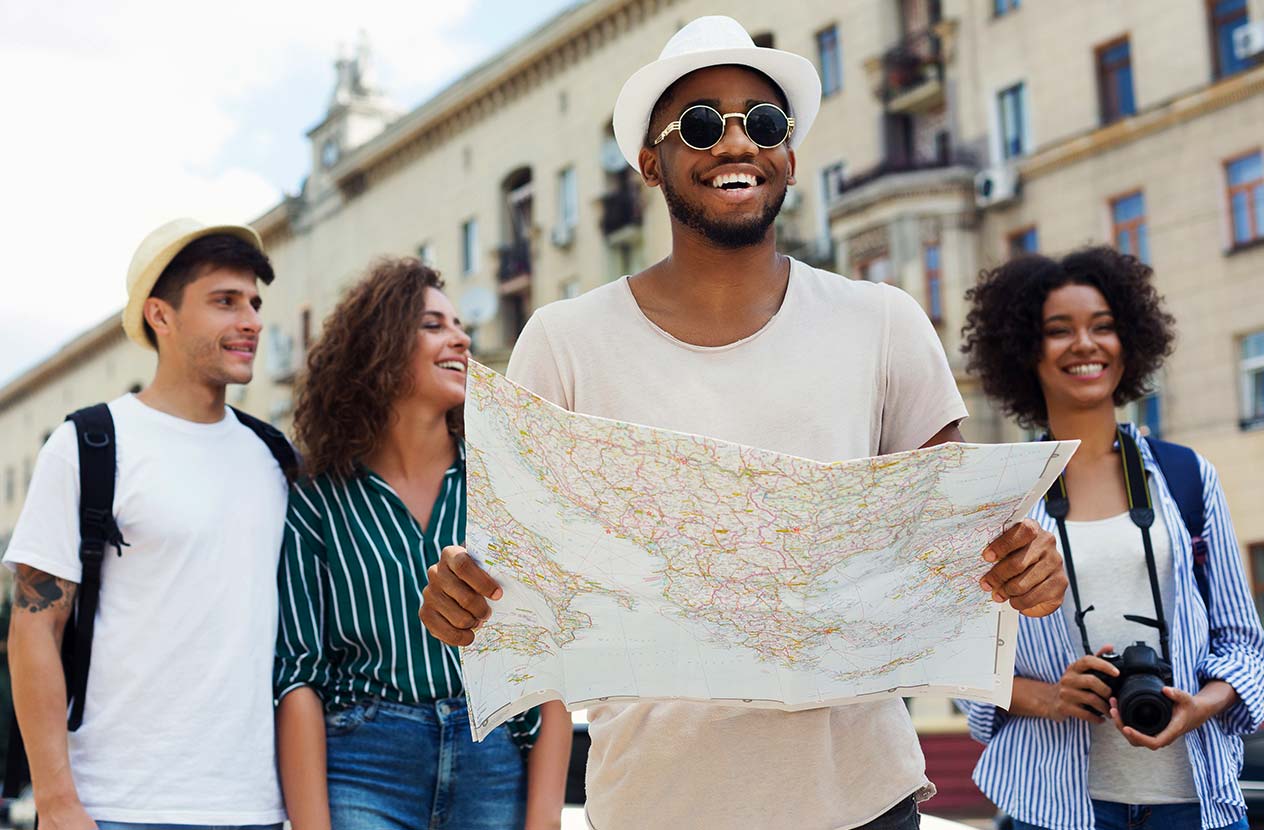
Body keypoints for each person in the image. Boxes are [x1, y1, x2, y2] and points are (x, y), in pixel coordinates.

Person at [418, 17, 1068, 830]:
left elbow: (960, 539)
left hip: (860, 798)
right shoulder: (563, 340)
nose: (734, 144)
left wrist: (1026, 567)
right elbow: (511, 576)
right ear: (650, 163)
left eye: (762, 123)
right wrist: (462, 598)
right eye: (698, 124)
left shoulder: (884, 323)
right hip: (657, 805)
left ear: (790, 156)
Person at [958, 247, 1264, 830]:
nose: (1085, 344)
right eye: (1059, 331)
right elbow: (965, 666)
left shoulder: (1186, 477)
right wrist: (1051, 697)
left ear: (1130, 342)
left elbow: (1245, 646)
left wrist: (1197, 706)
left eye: (1103, 326)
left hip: (1196, 801)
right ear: (1026, 349)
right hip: (1052, 804)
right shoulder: (999, 498)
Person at [5, 219, 288, 829]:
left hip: (253, 809)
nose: (251, 321)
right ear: (160, 316)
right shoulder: (88, 445)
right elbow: (33, 631)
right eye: (225, 302)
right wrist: (56, 804)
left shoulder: (276, 458)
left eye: (255, 303)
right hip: (117, 808)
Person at [274, 257, 571, 830]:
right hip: (364, 763)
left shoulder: (506, 486)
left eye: (458, 325)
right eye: (433, 324)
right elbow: (300, 676)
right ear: (376, 347)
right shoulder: (316, 498)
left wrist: (545, 822)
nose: (460, 337)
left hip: (494, 754)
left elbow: (552, 661)